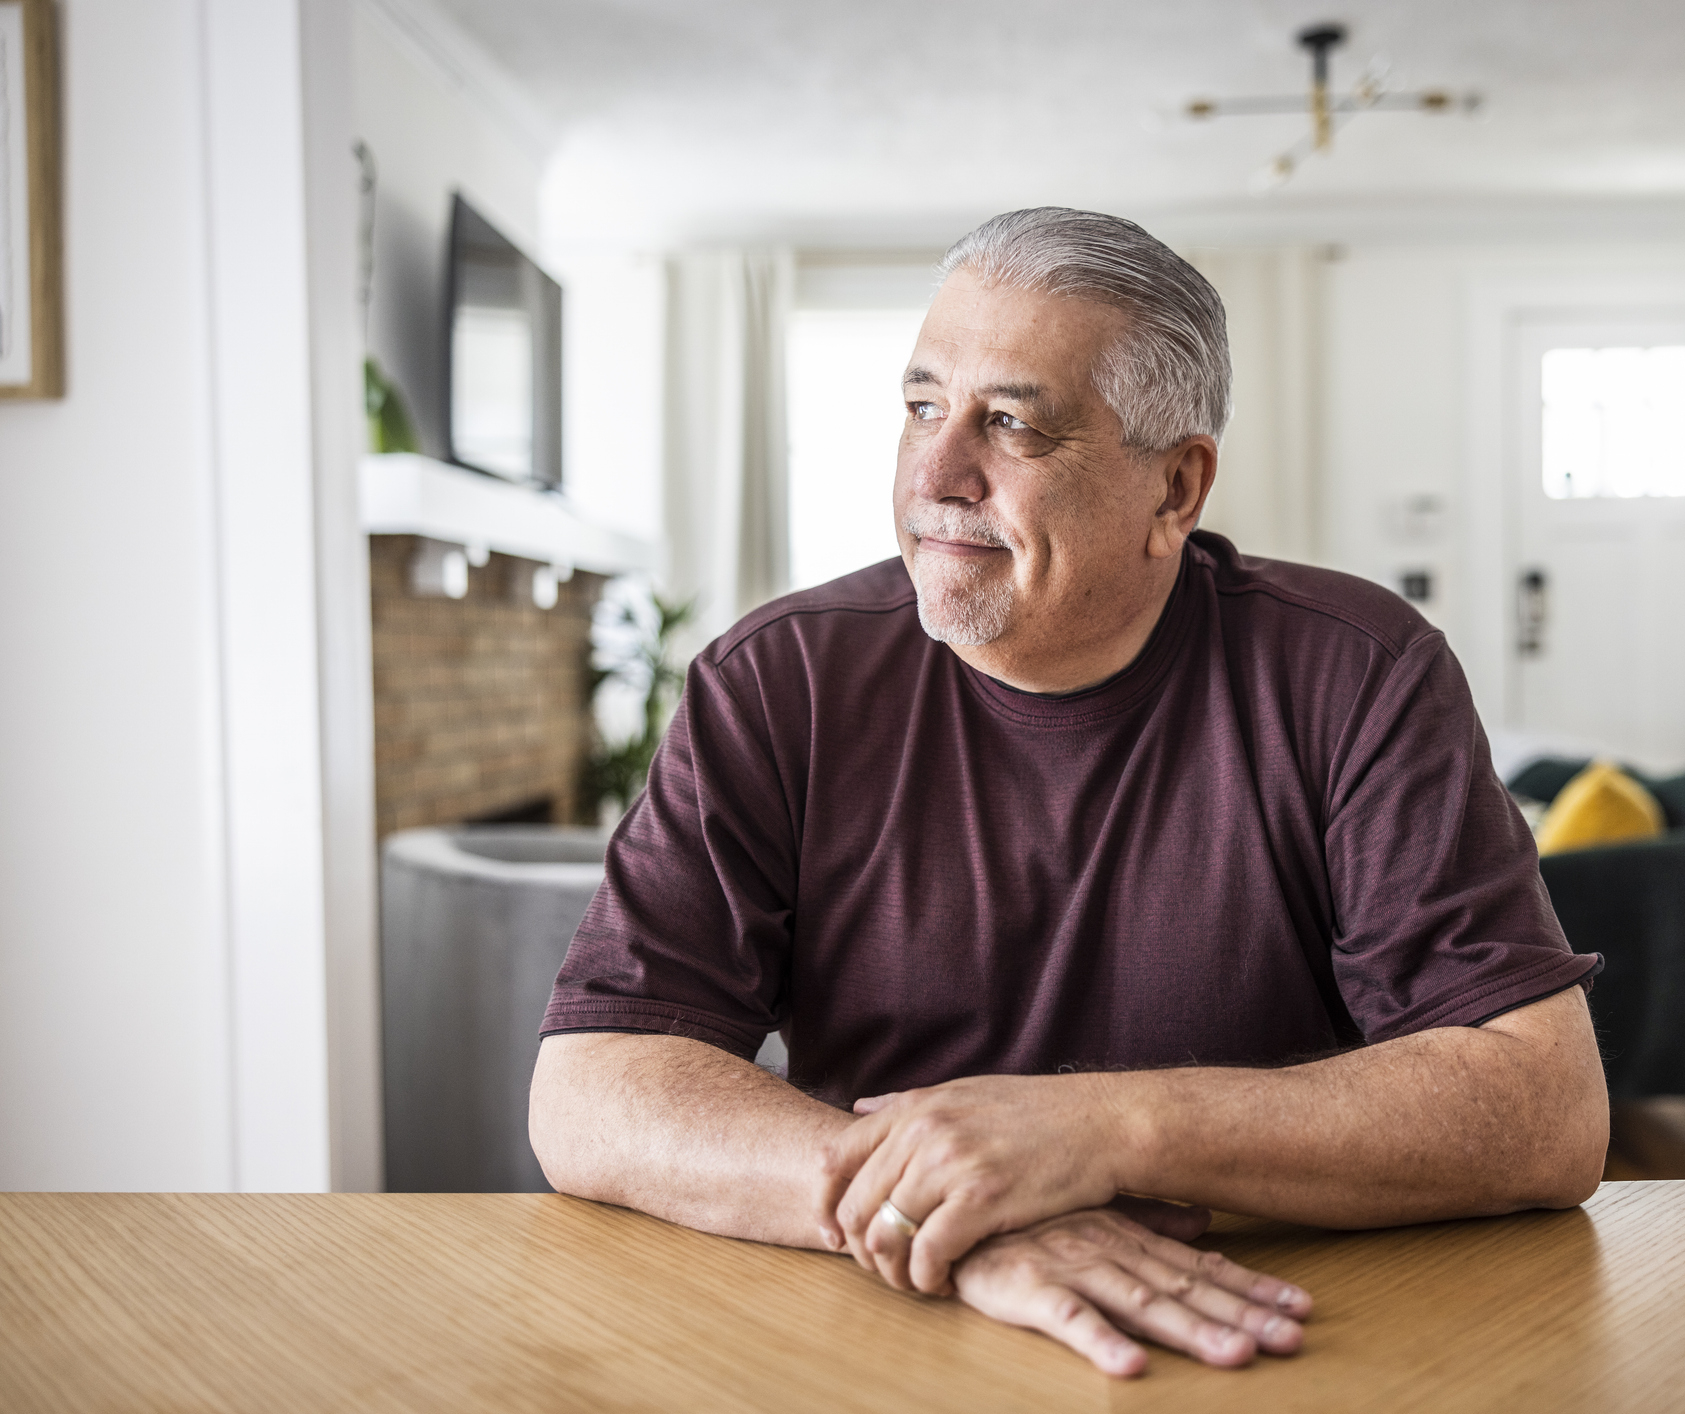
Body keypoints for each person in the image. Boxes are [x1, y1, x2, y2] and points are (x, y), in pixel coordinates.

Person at [529, 207, 1607, 1379]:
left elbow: (1542, 1108)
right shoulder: (776, 680)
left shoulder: (1356, 672)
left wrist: (1097, 1132)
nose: (934, 477)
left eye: (1010, 424)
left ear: (1174, 488)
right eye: (922, 407)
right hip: (884, 1315)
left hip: (1270, 1322)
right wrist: (952, 1213)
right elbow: (592, 1085)